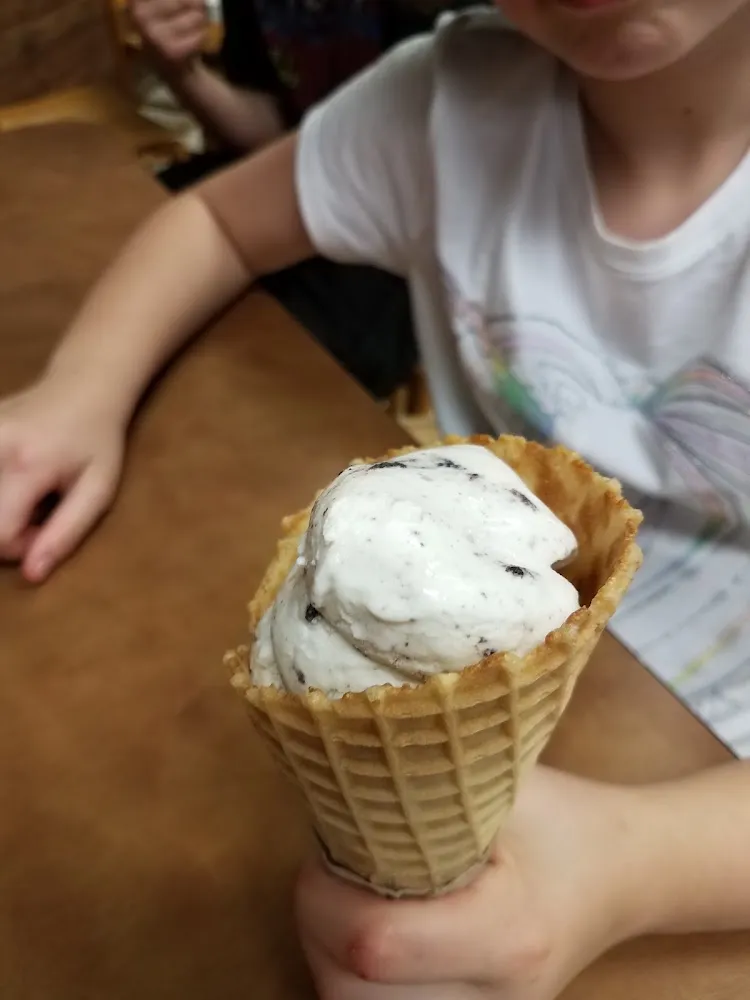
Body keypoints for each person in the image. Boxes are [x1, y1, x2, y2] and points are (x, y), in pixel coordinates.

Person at [1, 1, 750, 996]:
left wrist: (620, 869)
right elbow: (218, 220)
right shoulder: (443, 107)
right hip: (525, 711)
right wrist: (79, 389)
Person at [128, 0, 445, 400]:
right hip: (289, 189)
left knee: (251, 375)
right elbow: (276, 130)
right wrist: (183, 71)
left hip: (403, 236)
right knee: (124, 233)